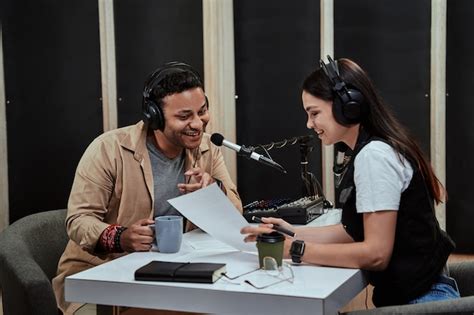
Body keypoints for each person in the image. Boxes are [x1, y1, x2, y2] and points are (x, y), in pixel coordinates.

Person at [241, 56, 459, 307]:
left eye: (314, 113)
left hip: (421, 300)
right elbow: (353, 231)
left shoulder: (374, 156)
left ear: (348, 106)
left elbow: (376, 255)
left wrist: (296, 249)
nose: (309, 124)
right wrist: (289, 231)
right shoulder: (376, 147)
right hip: (421, 292)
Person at [53, 61, 242, 313]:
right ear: (154, 116)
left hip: (171, 274)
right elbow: (78, 220)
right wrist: (121, 237)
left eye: (202, 111)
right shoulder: (108, 149)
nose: (198, 123)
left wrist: (213, 189)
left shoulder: (207, 148)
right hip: (99, 278)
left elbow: (236, 214)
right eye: (184, 116)